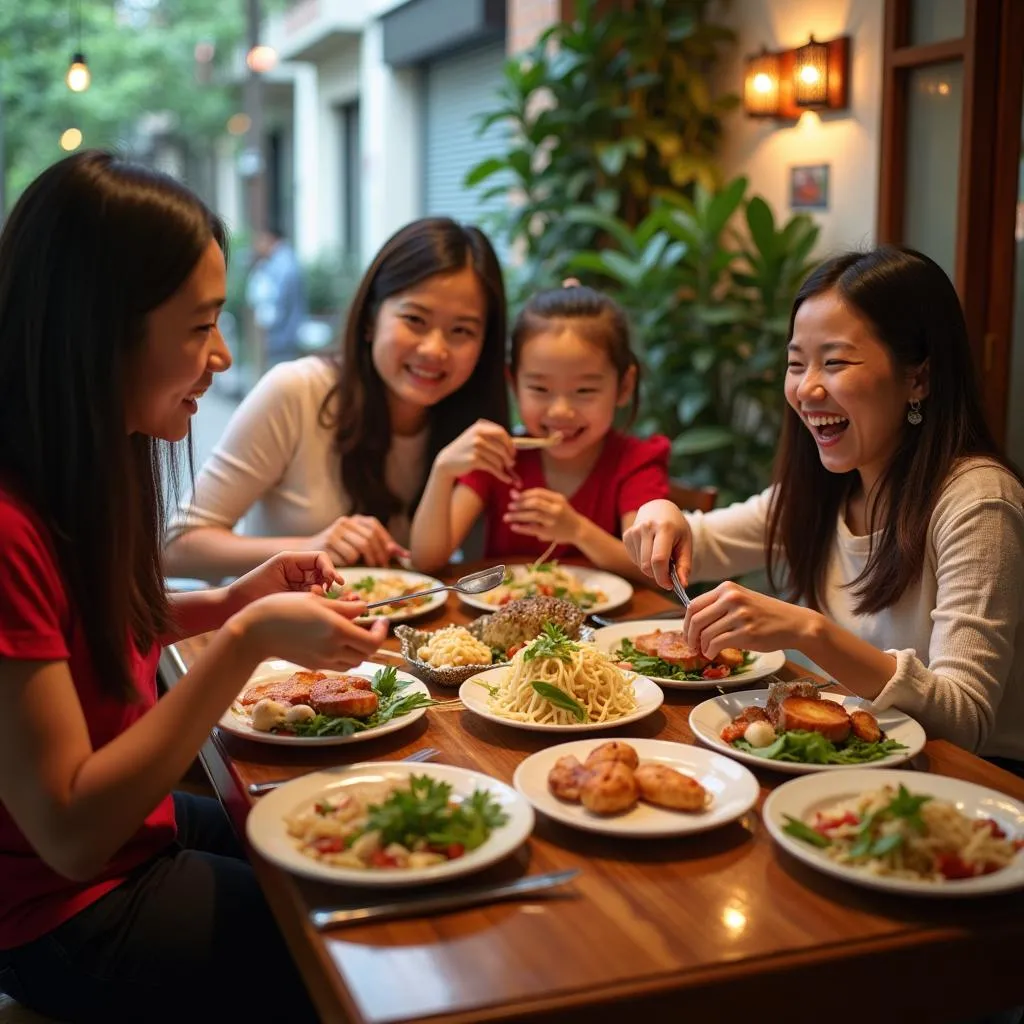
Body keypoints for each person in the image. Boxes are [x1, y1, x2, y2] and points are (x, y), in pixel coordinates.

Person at [0, 150, 389, 1022]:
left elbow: (72, 637)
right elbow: (69, 832)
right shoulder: (7, 524)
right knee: (357, 946)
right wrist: (244, 645)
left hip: (133, 842)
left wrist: (228, 604)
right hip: (62, 913)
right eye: (198, 325)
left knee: (358, 838)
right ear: (97, 329)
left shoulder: (82, 463)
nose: (220, 356)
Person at [624, 245, 1024, 767]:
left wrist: (808, 631)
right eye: (796, 364)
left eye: (835, 362)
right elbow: (699, 542)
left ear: (918, 378)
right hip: (853, 762)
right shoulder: (830, 488)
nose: (807, 388)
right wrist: (663, 512)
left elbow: (965, 719)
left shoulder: (978, 501)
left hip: (973, 785)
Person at [163, 217, 510, 582]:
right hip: (280, 631)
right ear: (371, 319)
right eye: (415, 319)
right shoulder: (297, 391)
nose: (434, 349)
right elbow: (177, 548)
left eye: (461, 331)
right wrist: (312, 545)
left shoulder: (474, 433)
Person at [410, 284, 670, 581]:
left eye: (584, 390)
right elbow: (426, 561)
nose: (560, 411)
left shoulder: (635, 462)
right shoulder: (502, 457)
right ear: (514, 384)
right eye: (539, 389)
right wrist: (443, 470)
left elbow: (649, 569)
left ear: (624, 386)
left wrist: (577, 531)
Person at [246, 226, 307, 367]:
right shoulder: (280, 261)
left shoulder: (283, 264)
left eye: (260, 240)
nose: (257, 246)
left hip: (283, 336)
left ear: (270, 239)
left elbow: (278, 301)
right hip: (283, 335)